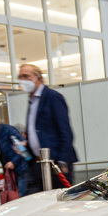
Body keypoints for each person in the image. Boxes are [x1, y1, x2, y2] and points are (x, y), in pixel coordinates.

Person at [17, 63, 77, 191]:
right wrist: (26, 145)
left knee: (59, 204)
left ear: (38, 78)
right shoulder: (32, 101)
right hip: (36, 164)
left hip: (55, 163)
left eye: (26, 76)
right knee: (35, 202)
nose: (22, 80)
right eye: (20, 76)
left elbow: (65, 131)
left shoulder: (52, 97)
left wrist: (62, 161)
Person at [0, 115, 36, 196]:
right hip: (15, 170)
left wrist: (13, 162)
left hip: (22, 169)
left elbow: (23, 149)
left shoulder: (7, 131)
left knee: (23, 195)